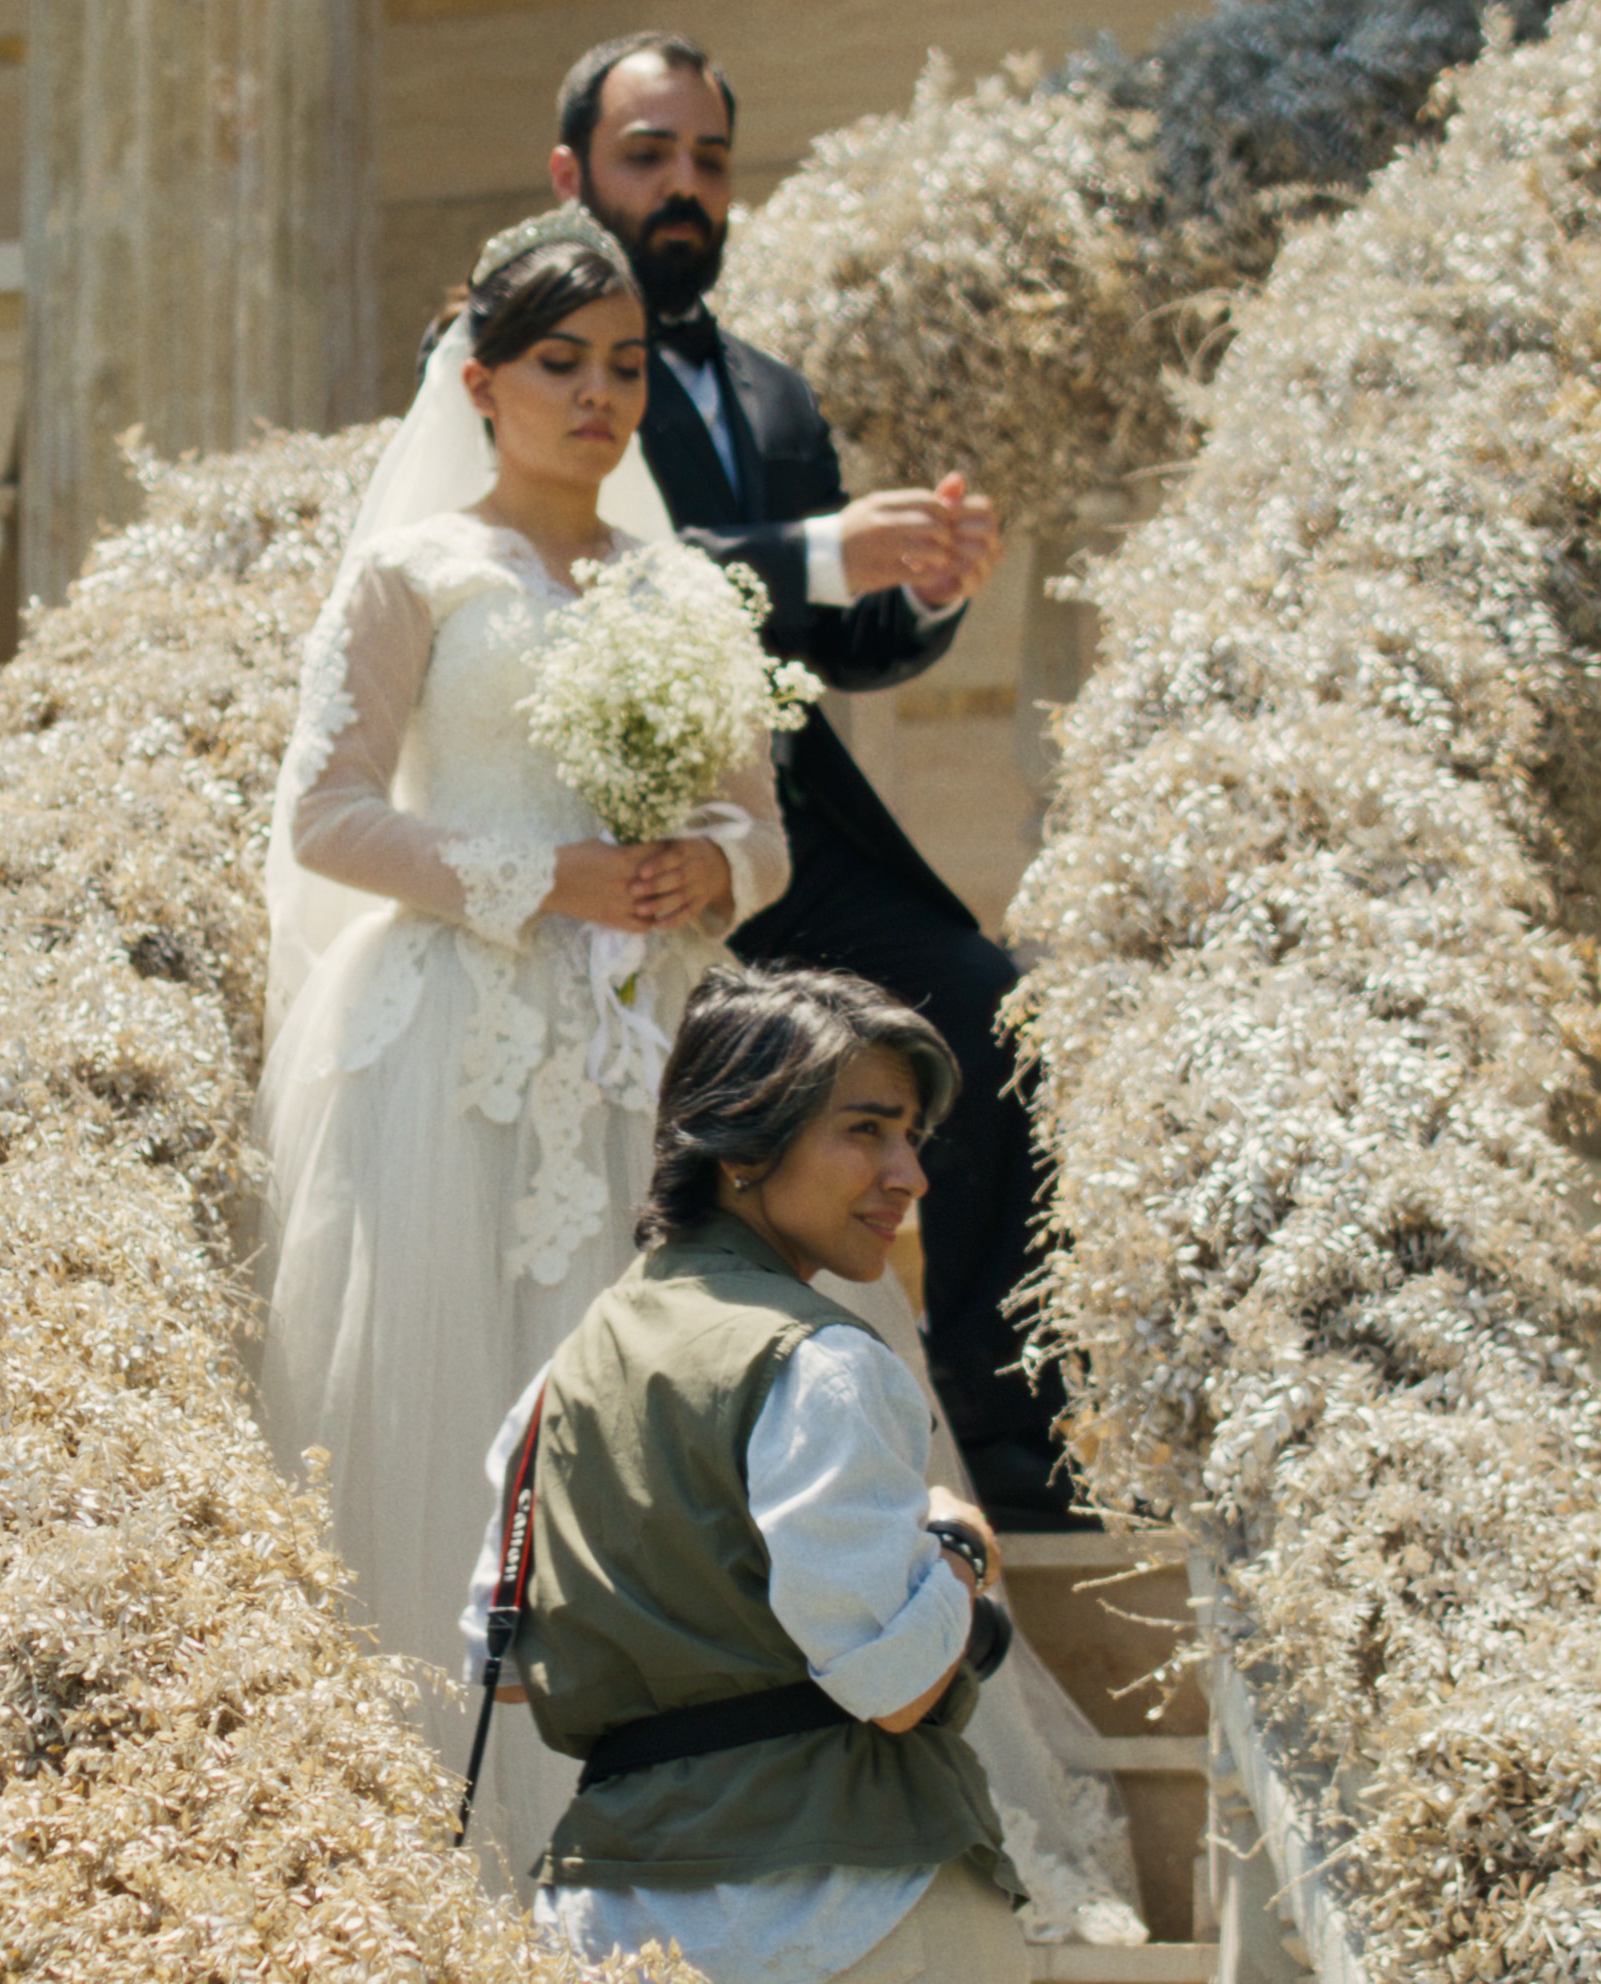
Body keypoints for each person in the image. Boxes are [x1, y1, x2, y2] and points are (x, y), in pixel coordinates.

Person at [252, 210, 791, 1864]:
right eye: (559, 362)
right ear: (479, 380)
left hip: (645, 1045)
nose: (596, 395)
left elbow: (764, 833)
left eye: (624, 365)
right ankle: (437, 1832)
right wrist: (540, 875)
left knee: (660, 1392)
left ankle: (688, 1811)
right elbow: (327, 818)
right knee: (447, 1401)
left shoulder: (686, 590)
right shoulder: (415, 571)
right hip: (450, 1047)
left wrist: (703, 868)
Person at [545, 32, 1089, 1530]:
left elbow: (838, 641)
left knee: (986, 1007)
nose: (681, 186)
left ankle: (1008, 1434)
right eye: (647, 156)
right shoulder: (523, 357)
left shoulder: (770, 396)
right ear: (571, 174)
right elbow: (579, 554)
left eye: (706, 160)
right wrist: (812, 553)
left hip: (783, 832)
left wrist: (917, 588)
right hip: (590, 825)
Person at [460, 964, 1027, 1984]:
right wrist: (957, 1547)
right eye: (866, 1130)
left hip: (612, 1924)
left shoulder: (559, 1382)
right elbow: (894, 1686)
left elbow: (500, 1666)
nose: (908, 1174)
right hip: (854, 1908)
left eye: (909, 1137)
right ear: (740, 1146)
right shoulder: (820, 1362)